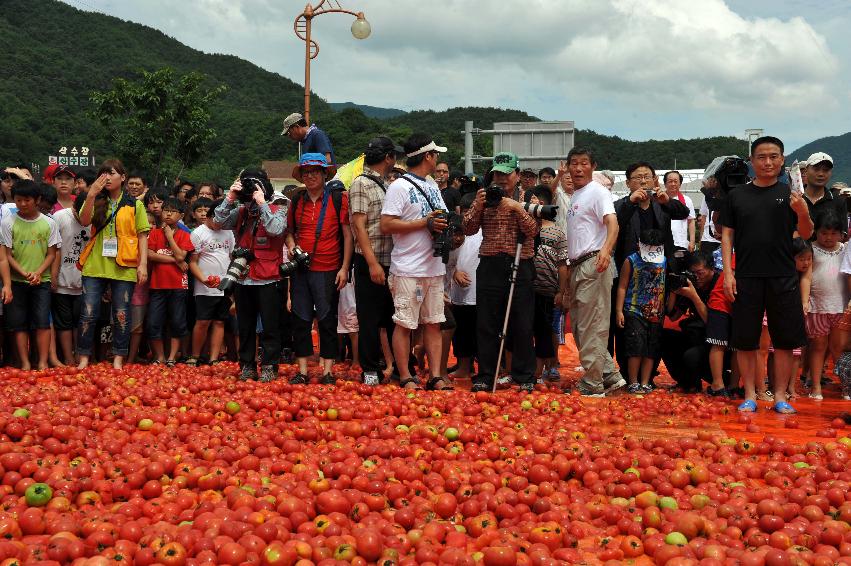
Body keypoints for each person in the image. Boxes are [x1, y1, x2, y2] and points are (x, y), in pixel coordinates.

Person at [721, 136, 813, 414]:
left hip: (783, 276)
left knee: (784, 340)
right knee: (746, 339)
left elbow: (807, 234)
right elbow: (727, 235)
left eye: (774, 156)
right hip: (747, 276)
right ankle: (750, 392)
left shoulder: (792, 195)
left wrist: (803, 212)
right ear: (752, 161)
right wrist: (728, 273)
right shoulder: (737, 195)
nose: (768, 162)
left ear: (782, 159)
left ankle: (781, 396)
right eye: (761, 157)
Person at [463, 151, 540, 392]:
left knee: (523, 323)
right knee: (486, 322)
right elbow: (467, 228)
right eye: (497, 173)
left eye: (507, 173)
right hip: (489, 264)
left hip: (521, 263)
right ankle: (486, 374)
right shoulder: (485, 197)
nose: (502, 178)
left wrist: (516, 207)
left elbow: (533, 231)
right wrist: (478, 203)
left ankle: (524, 374)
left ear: (517, 175)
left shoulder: (529, 198)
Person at [380, 134, 451, 390]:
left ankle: (434, 376)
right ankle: (406, 376)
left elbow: (440, 217)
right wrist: (424, 223)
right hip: (408, 268)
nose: (438, 159)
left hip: (433, 266)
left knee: (433, 323)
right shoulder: (399, 186)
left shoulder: (432, 185)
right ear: (428, 156)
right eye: (436, 155)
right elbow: (386, 224)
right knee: (404, 324)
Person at [212, 168, 287, 382]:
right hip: (244, 277)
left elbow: (275, 230)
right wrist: (230, 198)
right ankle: (247, 366)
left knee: (271, 326)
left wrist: (262, 202)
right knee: (245, 325)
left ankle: (270, 366)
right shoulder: (242, 211)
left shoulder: (278, 208)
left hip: (269, 277)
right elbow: (217, 222)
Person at [562, 147, 625, 397]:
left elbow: (613, 223)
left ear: (593, 166)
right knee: (580, 326)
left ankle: (592, 383)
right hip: (579, 265)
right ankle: (609, 375)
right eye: (573, 163)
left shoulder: (597, 192)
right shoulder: (576, 195)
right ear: (567, 167)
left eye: (583, 163)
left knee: (592, 325)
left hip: (593, 262)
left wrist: (606, 251)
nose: (578, 168)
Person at [77, 159, 150, 370]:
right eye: (103, 173)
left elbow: (143, 236)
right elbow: (84, 221)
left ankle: (119, 357)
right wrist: (91, 194)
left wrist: (142, 265)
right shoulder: (96, 199)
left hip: (124, 264)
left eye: (111, 173)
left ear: (123, 177)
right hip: (95, 264)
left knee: (121, 313)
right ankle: (83, 356)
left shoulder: (135, 204)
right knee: (88, 312)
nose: (106, 177)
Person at [285, 153, 351, 385]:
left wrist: (344, 268)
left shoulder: (337, 199)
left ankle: (327, 371)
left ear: (325, 174)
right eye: (306, 172)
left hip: (329, 267)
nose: (310, 175)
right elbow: (289, 232)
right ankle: (302, 370)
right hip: (301, 269)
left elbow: (347, 235)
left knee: (326, 320)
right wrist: (292, 247)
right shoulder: (296, 200)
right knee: (301, 319)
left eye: (315, 171)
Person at [349, 137, 401, 385]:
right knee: (369, 318)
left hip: (392, 261)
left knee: (392, 317)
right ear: (388, 157)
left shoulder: (386, 184)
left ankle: (397, 366)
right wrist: (372, 263)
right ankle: (369, 368)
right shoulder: (360, 183)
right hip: (370, 260)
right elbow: (358, 226)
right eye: (394, 157)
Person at [0, 180, 60, 370]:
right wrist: (22, 275)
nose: (23, 204)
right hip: (17, 280)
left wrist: (38, 273)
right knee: (18, 323)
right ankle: (25, 363)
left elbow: (52, 254)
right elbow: (6, 255)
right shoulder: (8, 222)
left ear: (37, 200)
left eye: (27, 200)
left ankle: (42, 362)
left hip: (42, 280)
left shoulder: (49, 223)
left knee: (42, 322)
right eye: (18, 200)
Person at [616, 229, 666, 393]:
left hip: (656, 313)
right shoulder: (631, 261)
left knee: (651, 349)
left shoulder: (664, 261)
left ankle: (645, 381)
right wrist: (619, 310)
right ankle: (633, 381)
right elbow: (622, 286)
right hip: (634, 310)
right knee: (635, 347)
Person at [146, 197, 194, 365]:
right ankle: (159, 356)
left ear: (181, 215)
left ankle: (172, 357)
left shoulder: (185, 235)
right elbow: (150, 255)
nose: (168, 214)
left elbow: (182, 255)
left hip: (178, 286)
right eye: (166, 210)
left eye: (173, 211)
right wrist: (176, 261)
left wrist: (169, 236)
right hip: (157, 285)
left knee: (177, 322)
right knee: (153, 322)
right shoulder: (154, 233)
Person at [661, 251, 717, 392]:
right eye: (693, 273)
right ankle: (688, 383)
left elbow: (714, 324)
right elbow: (673, 316)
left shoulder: (718, 284)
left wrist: (694, 296)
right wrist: (674, 291)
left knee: (691, 356)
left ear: (712, 269)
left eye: (700, 272)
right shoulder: (692, 283)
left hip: (716, 342)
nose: (696, 277)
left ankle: (722, 380)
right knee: (663, 337)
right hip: (696, 335)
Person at [188, 198, 235, 366]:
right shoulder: (198, 233)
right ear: (210, 215)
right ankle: (195, 355)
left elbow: (231, 258)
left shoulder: (228, 232)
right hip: (204, 286)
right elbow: (192, 262)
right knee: (202, 321)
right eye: (218, 220)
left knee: (219, 321)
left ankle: (214, 358)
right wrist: (203, 279)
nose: (221, 224)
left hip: (224, 285)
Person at [529, 186, 569, 382]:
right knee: (527, 329)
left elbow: (563, 265)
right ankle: (531, 368)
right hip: (525, 289)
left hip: (548, 289)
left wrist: (562, 291)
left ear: (541, 204)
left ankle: (551, 365)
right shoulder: (525, 228)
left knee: (548, 329)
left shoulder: (557, 232)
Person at [807, 212, 846, 400]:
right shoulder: (811, 250)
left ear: (841, 234)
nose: (828, 237)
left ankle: (845, 386)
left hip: (840, 306)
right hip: (817, 306)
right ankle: (815, 386)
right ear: (816, 232)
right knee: (818, 346)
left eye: (833, 233)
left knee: (839, 348)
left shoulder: (846, 250)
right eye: (824, 233)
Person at [50, 192, 91, 365]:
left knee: (81, 322)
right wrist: (53, 277)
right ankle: (67, 358)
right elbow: (53, 249)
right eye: (79, 213)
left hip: (86, 282)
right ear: (74, 207)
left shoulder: (96, 219)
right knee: (64, 323)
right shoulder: (59, 217)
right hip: (61, 281)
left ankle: (79, 356)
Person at [449, 192, 481, 380]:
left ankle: (480, 366)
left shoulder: (484, 231)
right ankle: (463, 366)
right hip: (458, 294)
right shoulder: (455, 231)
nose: (469, 216)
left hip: (478, 292)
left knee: (479, 332)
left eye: (473, 211)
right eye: (467, 211)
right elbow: (446, 261)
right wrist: (454, 274)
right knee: (461, 332)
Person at [802, 152, 845, 229]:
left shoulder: (838, 201)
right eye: (816, 169)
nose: (821, 174)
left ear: (831, 173)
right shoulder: (794, 199)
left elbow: (842, 235)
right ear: (805, 171)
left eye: (826, 170)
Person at [664, 170, 696, 254]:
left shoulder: (686, 200)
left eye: (676, 181)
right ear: (665, 184)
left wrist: (692, 241)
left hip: (681, 242)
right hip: (663, 243)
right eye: (670, 181)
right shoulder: (659, 200)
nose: (673, 184)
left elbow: (691, 220)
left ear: (680, 184)